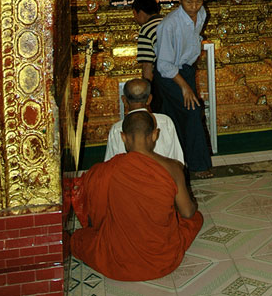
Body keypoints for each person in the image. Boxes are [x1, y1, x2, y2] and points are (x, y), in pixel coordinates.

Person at [72, 110, 202, 281]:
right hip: (163, 259)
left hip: (117, 259)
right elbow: (187, 212)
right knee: (196, 218)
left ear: (123, 137)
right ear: (155, 135)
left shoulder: (104, 170)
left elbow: (92, 215)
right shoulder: (173, 168)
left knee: (77, 239)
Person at [154, 0, 213, 179]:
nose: (194, 7)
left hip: (186, 70)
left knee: (173, 116)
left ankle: (175, 164)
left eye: (199, 1)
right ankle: (198, 165)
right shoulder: (169, 25)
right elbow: (164, 65)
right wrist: (185, 87)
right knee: (193, 111)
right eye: (189, 2)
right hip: (169, 75)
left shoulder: (202, 13)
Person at [104, 78, 183, 163]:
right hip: (163, 174)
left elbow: (111, 165)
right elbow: (177, 160)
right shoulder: (166, 122)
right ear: (149, 99)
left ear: (124, 100)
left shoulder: (117, 129)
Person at [133, 0, 161, 82]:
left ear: (140, 13)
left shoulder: (146, 29)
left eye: (134, 14)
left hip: (163, 76)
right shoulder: (169, 23)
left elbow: (147, 64)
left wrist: (148, 89)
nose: (135, 19)